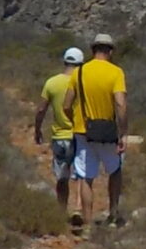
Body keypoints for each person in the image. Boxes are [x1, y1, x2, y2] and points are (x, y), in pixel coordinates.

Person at [70, 32, 129, 228]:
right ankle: (112, 215)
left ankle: (87, 225)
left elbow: (66, 104)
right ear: (110, 51)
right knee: (115, 171)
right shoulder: (116, 73)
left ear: (92, 50)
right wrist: (123, 133)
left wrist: (76, 120)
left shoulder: (78, 73)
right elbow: (120, 104)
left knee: (86, 177)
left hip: (84, 131)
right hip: (109, 133)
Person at [33, 46, 87, 225]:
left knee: (62, 176)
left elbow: (41, 109)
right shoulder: (83, 82)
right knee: (82, 174)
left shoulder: (52, 83)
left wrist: (37, 129)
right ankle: (79, 208)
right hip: (80, 134)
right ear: (81, 64)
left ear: (65, 62)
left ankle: (62, 210)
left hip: (59, 136)